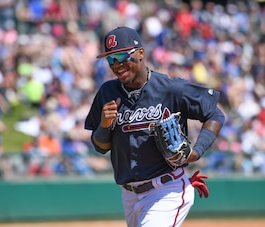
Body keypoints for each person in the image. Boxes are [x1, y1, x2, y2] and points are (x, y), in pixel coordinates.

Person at [85, 26, 225, 227]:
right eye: (111, 59)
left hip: (167, 190)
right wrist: (105, 125)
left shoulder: (171, 88)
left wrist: (197, 151)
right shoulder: (107, 92)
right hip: (129, 195)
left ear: (140, 53)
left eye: (122, 56)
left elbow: (215, 114)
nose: (117, 64)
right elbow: (100, 146)